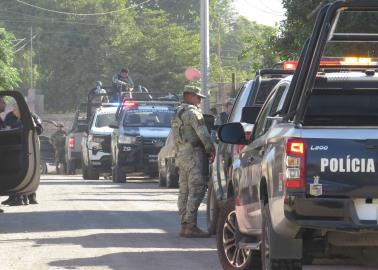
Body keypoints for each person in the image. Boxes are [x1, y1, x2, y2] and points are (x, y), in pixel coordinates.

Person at [171, 85, 216, 238]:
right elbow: (203, 134)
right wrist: (211, 150)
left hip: (182, 154)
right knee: (196, 189)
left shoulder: (178, 112)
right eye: (198, 98)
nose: (199, 101)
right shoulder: (192, 113)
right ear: (189, 96)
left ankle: (184, 225)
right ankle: (191, 226)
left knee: (184, 191)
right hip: (194, 154)